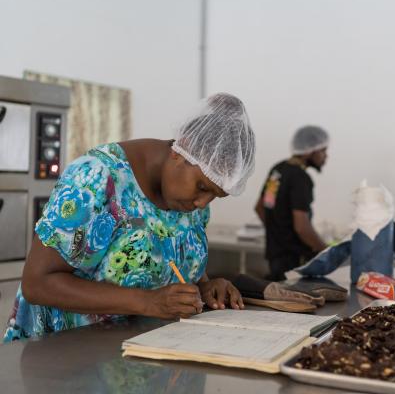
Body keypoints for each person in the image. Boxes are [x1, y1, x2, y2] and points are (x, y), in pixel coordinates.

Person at [3, 93, 256, 342]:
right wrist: (147, 302)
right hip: (62, 361)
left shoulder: (190, 204)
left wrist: (203, 287)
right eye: (202, 188)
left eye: (215, 196)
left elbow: (174, 267)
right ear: (183, 149)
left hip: (138, 360)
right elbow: (37, 284)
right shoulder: (97, 178)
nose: (203, 203)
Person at [255, 125, 329, 281]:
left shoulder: (278, 169)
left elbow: (261, 208)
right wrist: (326, 250)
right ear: (310, 151)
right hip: (294, 260)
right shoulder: (301, 178)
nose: (326, 156)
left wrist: (278, 234)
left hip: (275, 256)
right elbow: (301, 227)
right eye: (323, 150)